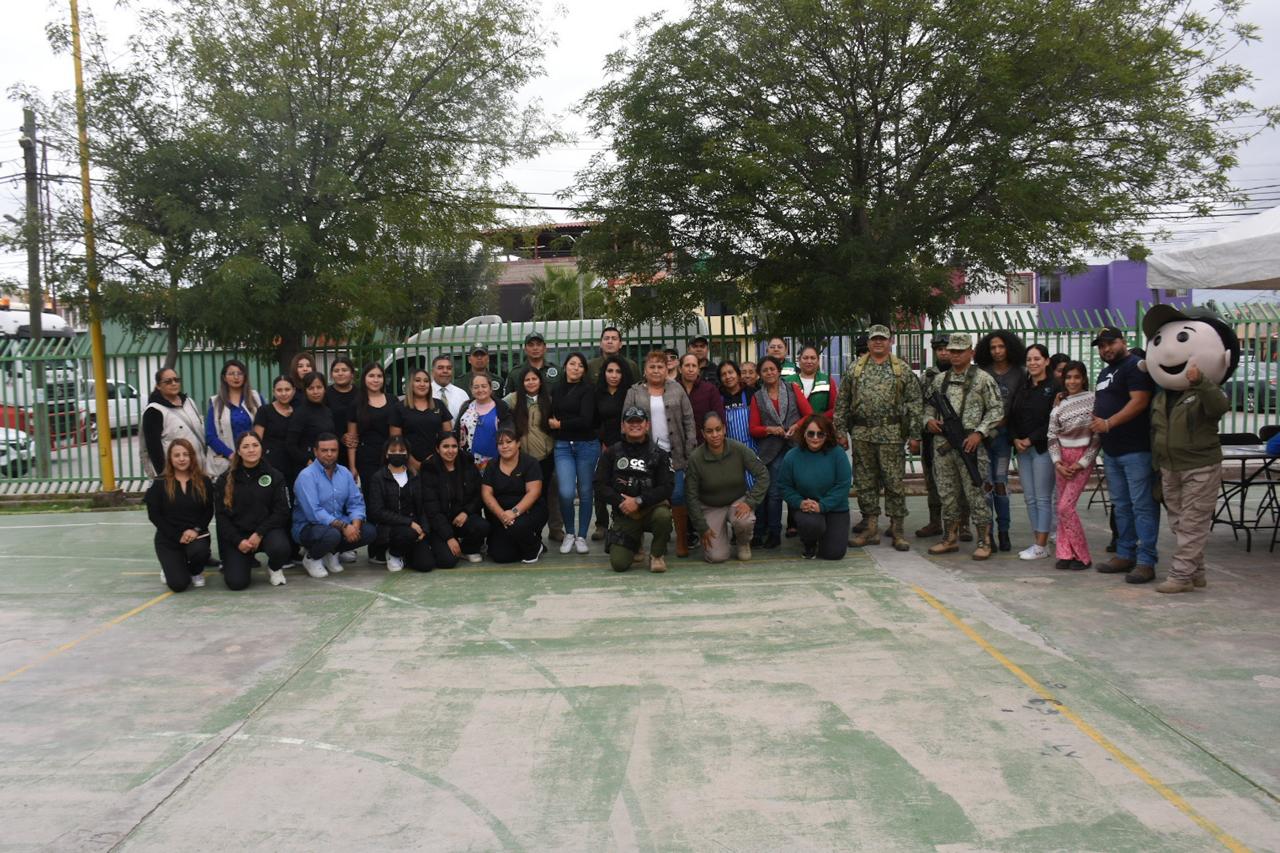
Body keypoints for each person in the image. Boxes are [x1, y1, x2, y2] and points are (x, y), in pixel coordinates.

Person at [1142, 305, 1240, 593]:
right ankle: (1197, 571)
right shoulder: (1162, 397)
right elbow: (1156, 431)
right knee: (1178, 522)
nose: (1169, 351)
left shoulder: (1208, 392)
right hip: (1169, 467)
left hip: (1200, 466)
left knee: (1193, 523)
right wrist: (1157, 466)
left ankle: (1181, 576)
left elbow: (1219, 407)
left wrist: (1202, 382)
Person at [833, 325, 921, 551]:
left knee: (894, 483)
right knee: (865, 483)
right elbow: (842, 402)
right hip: (862, 434)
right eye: (874, 339)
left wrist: (915, 435)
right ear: (869, 342)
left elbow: (914, 403)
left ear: (890, 342)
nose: (878, 342)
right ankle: (870, 528)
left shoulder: (901, 369)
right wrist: (840, 431)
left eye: (883, 339)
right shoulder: (855, 369)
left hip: (892, 434)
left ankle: (897, 530)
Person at [922, 334, 1003, 559]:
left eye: (960, 351)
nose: (955, 355)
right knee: (947, 493)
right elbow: (927, 408)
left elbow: (996, 410)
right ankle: (949, 538)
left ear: (971, 352)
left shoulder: (983, 379)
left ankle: (985, 541)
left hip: (970, 445)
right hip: (943, 446)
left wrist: (979, 432)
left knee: (975, 493)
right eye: (952, 351)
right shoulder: (940, 380)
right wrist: (928, 422)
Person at [1090, 326, 1159, 583]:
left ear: (1123, 341)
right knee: (1121, 506)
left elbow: (1139, 401)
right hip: (1112, 451)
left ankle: (1146, 561)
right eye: (1101, 346)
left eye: (1110, 343)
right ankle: (1125, 553)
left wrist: (1109, 423)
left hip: (1136, 450)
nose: (1106, 349)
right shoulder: (1105, 372)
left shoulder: (1135, 366)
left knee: (1142, 506)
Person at [624, 351, 698, 556]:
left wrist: (690, 449)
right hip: (644, 455)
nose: (656, 370)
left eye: (660, 367)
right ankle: (639, 542)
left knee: (678, 495)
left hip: (675, 454)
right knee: (643, 495)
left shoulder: (677, 389)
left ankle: (681, 540)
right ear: (645, 370)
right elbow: (625, 422)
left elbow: (689, 420)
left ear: (667, 370)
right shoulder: (634, 392)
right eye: (652, 367)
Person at [594, 406, 675, 572]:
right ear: (623, 426)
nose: (635, 425)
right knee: (619, 564)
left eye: (639, 421)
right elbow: (599, 485)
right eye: (630, 422)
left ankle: (657, 555)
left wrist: (639, 501)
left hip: (651, 510)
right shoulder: (611, 453)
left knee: (664, 516)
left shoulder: (660, 454)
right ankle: (636, 544)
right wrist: (621, 501)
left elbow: (667, 487)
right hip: (625, 513)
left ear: (647, 425)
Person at [686, 411, 768, 563]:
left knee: (745, 521)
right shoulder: (695, 458)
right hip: (710, 506)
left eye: (718, 429)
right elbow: (691, 496)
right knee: (716, 557)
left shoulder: (739, 449)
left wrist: (750, 502)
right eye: (709, 431)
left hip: (737, 501)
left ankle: (743, 543)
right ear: (703, 434)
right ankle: (720, 541)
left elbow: (763, 474)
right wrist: (701, 527)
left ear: (724, 429)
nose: (715, 435)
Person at [749, 355, 813, 549]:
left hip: (794, 446)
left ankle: (799, 529)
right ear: (760, 375)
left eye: (772, 369)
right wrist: (770, 429)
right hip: (771, 450)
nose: (769, 372)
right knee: (772, 493)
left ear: (778, 371)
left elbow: (809, 415)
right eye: (765, 370)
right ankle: (772, 532)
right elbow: (753, 428)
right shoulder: (757, 397)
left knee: (795, 489)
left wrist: (796, 425)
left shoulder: (792, 389)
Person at [291, 433, 377, 578]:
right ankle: (312, 558)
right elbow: (315, 513)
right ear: (315, 451)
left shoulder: (345, 473)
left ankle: (332, 552)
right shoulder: (306, 476)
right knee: (332, 534)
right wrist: (344, 527)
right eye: (324, 450)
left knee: (369, 531)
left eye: (333, 450)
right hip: (308, 527)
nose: (329, 454)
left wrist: (355, 526)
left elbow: (356, 502)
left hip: (337, 524)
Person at [214, 432, 292, 589]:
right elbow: (221, 517)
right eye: (246, 446)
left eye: (255, 445)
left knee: (280, 548)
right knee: (236, 583)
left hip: (266, 532)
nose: (251, 450)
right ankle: (244, 559)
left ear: (261, 448)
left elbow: (282, 511)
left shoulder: (275, 476)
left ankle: (275, 568)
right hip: (238, 536)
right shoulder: (224, 480)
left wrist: (259, 533)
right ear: (238, 451)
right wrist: (238, 541)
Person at [975, 331, 1028, 552]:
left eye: (1001, 347)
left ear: (1010, 348)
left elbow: (1021, 407)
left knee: (1000, 484)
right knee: (986, 486)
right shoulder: (981, 373)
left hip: (1004, 438)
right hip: (983, 437)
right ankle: (988, 534)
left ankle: (1004, 532)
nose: (997, 351)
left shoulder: (1020, 374)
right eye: (993, 347)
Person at [915, 335, 970, 539]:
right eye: (940, 350)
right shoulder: (927, 377)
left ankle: (964, 524)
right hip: (932, 437)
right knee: (932, 481)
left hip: (960, 436)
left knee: (963, 480)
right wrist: (924, 426)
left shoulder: (967, 375)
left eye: (948, 349)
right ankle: (935, 522)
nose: (944, 353)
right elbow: (918, 406)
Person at [348, 363, 403, 563]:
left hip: (389, 457)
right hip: (366, 459)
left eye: (379, 376)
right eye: (371, 375)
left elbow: (397, 434)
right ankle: (376, 549)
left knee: (392, 500)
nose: (375, 379)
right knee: (373, 503)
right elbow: (352, 438)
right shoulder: (356, 403)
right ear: (364, 378)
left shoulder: (393, 400)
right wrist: (353, 466)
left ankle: (392, 545)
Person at [1047, 362, 1101, 571]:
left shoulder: (1094, 400)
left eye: (1077, 377)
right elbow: (1052, 435)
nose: (1072, 381)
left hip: (1081, 459)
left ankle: (1082, 556)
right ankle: (1065, 553)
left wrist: (1082, 462)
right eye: (1068, 377)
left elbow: (1097, 437)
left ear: (1084, 378)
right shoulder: (1059, 405)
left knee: (1065, 507)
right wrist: (1057, 462)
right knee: (1062, 508)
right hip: (1062, 459)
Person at [779, 414, 853, 560]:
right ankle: (809, 543)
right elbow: (785, 486)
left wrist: (822, 506)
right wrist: (799, 502)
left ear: (827, 435)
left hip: (835, 508)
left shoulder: (838, 454)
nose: (815, 438)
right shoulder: (792, 456)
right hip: (807, 507)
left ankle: (826, 537)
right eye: (811, 433)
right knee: (811, 524)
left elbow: (843, 485)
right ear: (803, 433)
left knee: (833, 554)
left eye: (820, 434)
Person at [145, 438, 214, 592]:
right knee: (178, 585)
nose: (182, 459)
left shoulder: (204, 481)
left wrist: (195, 530)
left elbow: (208, 510)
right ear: (170, 458)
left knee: (200, 551)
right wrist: (177, 535)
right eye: (177, 455)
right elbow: (154, 515)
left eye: (185, 454)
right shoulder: (160, 483)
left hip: (195, 536)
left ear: (192, 457)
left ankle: (195, 571)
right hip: (169, 538)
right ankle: (170, 566)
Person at [1009, 344, 1059, 560]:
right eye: (1029, 359)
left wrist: (1031, 439)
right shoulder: (1023, 387)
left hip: (1042, 449)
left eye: (1037, 359)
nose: (1033, 363)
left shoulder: (1055, 388)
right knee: (1029, 498)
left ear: (1046, 361)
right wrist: (1015, 438)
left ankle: (1041, 545)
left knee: (1042, 498)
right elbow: (1011, 415)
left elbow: (1053, 420)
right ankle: (1038, 541)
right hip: (1022, 450)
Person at [549, 353, 599, 554]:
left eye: (580, 365)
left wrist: (560, 424)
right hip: (563, 446)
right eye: (572, 364)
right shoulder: (556, 389)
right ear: (565, 367)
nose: (576, 368)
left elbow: (586, 420)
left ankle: (582, 536)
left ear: (584, 370)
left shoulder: (589, 390)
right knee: (566, 492)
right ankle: (569, 532)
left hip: (586, 445)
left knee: (585, 492)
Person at [366, 436, 434, 572]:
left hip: (413, 528)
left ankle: (405, 554)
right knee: (407, 534)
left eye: (402, 450)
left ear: (407, 454)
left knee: (425, 564)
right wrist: (409, 523)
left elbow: (422, 506)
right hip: (389, 528)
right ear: (386, 454)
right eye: (393, 450)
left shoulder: (414, 476)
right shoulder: (378, 478)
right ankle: (393, 553)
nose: (397, 453)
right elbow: (377, 511)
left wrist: (424, 529)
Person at [482, 427, 550, 563]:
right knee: (501, 557)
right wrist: (502, 515)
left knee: (518, 527)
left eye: (509, 442)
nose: (504, 446)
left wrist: (514, 512)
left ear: (518, 443)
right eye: (500, 443)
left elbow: (534, 492)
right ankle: (523, 542)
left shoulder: (530, 463)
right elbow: (486, 493)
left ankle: (534, 547)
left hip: (528, 511)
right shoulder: (492, 465)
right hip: (502, 515)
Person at [421, 432, 490, 566]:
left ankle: (467, 549)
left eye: (454, 446)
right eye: (445, 446)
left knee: (482, 526)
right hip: (439, 523)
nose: (450, 451)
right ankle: (437, 545)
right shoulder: (429, 469)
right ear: (437, 449)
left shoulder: (467, 464)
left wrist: (466, 512)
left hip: (461, 519)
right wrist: (449, 537)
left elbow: (478, 495)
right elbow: (432, 509)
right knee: (448, 561)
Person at [504, 365, 557, 521]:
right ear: (522, 382)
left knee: (545, 495)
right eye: (527, 380)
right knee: (525, 496)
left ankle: (548, 528)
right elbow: (495, 406)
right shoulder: (513, 399)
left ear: (540, 381)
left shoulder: (549, 400)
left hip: (545, 457)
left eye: (534, 379)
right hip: (522, 458)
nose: (531, 382)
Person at [591, 355, 635, 541]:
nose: (614, 375)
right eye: (610, 371)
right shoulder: (597, 393)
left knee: (623, 484)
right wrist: (600, 442)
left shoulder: (629, 393)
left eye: (618, 371)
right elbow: (593, 421)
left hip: (626, 445)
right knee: (600, 484)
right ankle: (601, 524)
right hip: (603, 445)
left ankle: (621, 520)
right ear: (604, 373)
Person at [142, 366, 206, 479]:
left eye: (176, 380)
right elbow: (153, 448)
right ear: (158, 386)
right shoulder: (154, 411)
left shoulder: (189, 402)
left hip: (200, 469)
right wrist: (164, 475)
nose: (174, 383)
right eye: (168, 381)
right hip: (176, 473)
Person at [204, 359, 263, 478]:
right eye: (231, 373)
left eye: (240, 373)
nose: (236, 377)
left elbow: (265, 425)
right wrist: (231, 455)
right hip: (228, 460)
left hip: (254, 457)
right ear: (224, 378)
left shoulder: (256, 397)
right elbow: (210, 436)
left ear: (245, 376)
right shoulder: (215, 403)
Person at [286, 372, 337, 483]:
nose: (315, 392)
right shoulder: (300, 413)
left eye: (319, 387)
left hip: (328, 466)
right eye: (311, 388)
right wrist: (308, 462)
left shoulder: (327, 411)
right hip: (307, 469)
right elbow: (290, 444)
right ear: (305, 390)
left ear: (324, 389)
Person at [399, 368, 452, 472]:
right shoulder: (399, 408)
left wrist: (437, 458)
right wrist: (413, 463)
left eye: (426, 381)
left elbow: (448, 435)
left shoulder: (439, 404)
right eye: (417, 380)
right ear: (411, 384)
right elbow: (396, 440)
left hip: (438, 463)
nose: (422, 384)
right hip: (409, 465)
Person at [456, 373, 511, 470]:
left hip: (494, 463)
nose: (480, 390)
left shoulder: (501, 407)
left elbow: (509, 435)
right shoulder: (466, 406)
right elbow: (457, 430)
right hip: (467, 463)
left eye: (484, 386)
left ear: (490, 388)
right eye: (476, 387)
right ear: (471, 389)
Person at [254, 375, 296, 483]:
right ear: (273, 392)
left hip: (293, 465)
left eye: (287, 389)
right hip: (270, 465)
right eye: (279, 390)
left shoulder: (298, 412)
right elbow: (257, 440)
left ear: (294, 391)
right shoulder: (264, 411)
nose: (283, 393)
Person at [678, 353, 726, 444]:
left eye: (694, 366)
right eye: (687, 365)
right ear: (680, 369)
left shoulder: (710, 389)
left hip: (705, 443)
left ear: (698, 370)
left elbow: (719, 417)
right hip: (679, 443)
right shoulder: (673, 389)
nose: (691, 369)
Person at [718, 360, 756, 451]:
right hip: (728, 449)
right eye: (723, 374)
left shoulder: (751, 393)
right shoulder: (717, 397)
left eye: (730, 372)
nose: (728, 377)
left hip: (751, 448)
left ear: (738, 375)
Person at [794, 345, 837, 420]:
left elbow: (834, 408)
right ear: (799, 360)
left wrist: (818, 421)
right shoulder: (787, 380)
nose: (809, 361)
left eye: (813, 358)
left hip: (820, 425)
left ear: (818, 361)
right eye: (805, 358)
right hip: (793, 426)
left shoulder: (828, 381)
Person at [325, 356, 358, 454]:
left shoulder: (360, 394)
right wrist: (341, 437)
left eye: (344, 370)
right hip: (331, 447)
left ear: (352, 374)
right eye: (336, 371)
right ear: (331, 375)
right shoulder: (325, 394)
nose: (340, 373)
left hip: (357, 446)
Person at [431, 355, 470, 420]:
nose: (445, 371)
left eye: (449, 368)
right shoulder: (425, 393)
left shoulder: (462, 394)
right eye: (440, 368)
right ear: (432, 371)